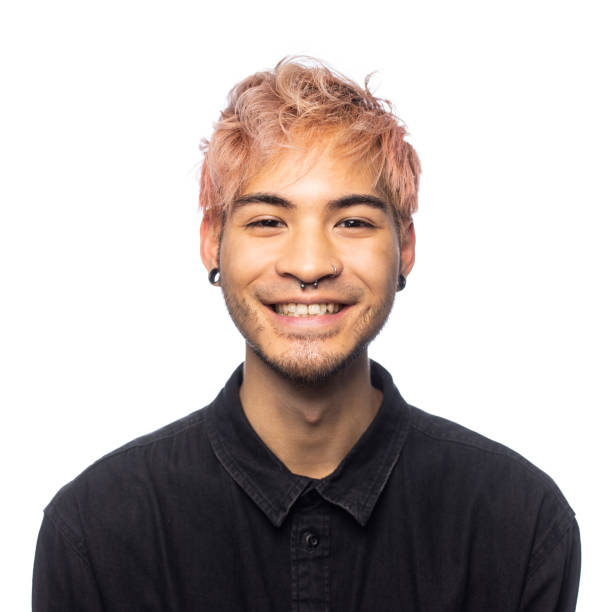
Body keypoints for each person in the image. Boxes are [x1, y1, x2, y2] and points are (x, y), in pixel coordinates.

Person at [32, 58, 580, 611]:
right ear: (211, 242)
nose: (310, 263)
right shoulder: (95, 532)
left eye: (353, 222)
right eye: (268, 221)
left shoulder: (520, 523)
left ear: (405, 247)